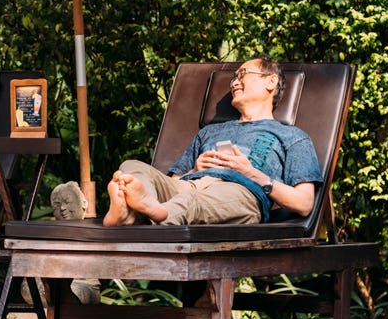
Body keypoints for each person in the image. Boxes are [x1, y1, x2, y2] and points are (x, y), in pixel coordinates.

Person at [103, 57, 322, 227]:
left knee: (190, 201)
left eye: (242, 74)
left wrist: (251, 173)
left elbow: (304, 204)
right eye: (233, 78)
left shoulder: (292, 136)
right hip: (191, 185)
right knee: (131, 167)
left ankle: (154, 214)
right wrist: (195, 169)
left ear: (270, 81)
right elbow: (176, 182)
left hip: (241, 193)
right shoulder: (209, 131)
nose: (235, 82)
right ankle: (127, 213)